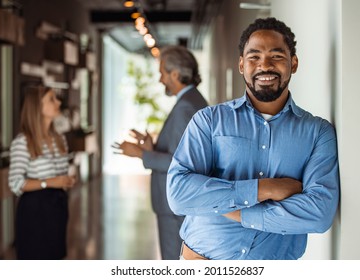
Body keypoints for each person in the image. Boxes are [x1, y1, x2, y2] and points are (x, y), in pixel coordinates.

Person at [167, 17, 340, 260]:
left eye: (277, 56)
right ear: (241, 65)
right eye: (254, 57)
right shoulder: (208, 120)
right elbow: (179, 194)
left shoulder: (317, 132)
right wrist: (265, 189)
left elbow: (319, 214)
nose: (265, 65)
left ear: (294, 62)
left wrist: (233, 210)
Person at [113, 45, 208, 260]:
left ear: (175, 74)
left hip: (173, 206)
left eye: (162, 73)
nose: (160, 79)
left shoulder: (185, 106)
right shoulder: (192, 100)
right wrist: (152, 148)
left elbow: (181, 162)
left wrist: (140, 153)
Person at [8, 86, 76, 259]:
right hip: (34, 212)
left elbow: (60, 174)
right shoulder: (22, 142)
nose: (58, 102)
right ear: (37, 106)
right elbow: (15, 183)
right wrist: (50, 182)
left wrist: (66, 181)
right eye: (52, 99)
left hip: (58, 207)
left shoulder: (59, 139)